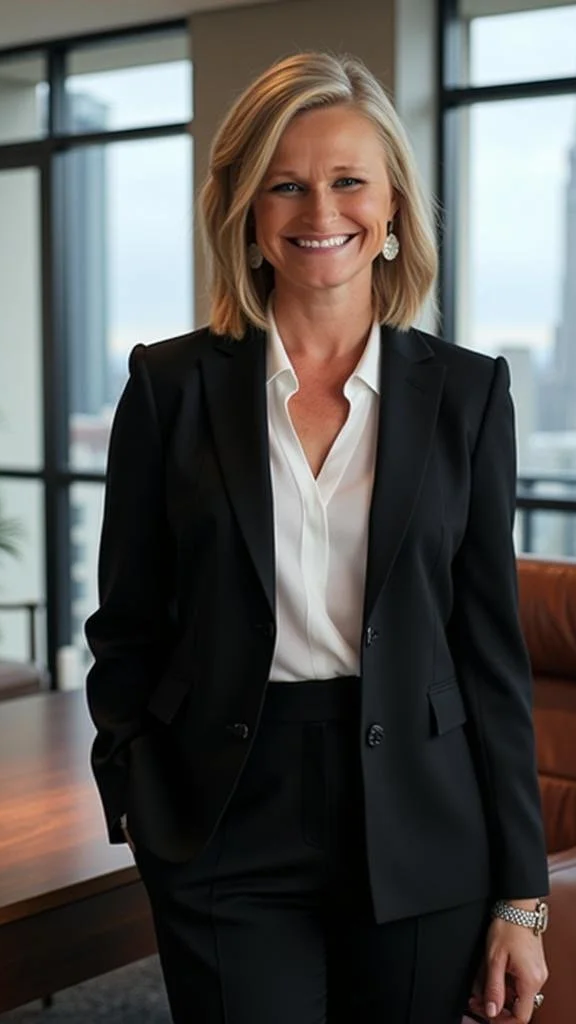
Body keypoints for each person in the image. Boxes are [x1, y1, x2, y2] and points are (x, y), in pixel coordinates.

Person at [85, 51, 550, 1024]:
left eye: (348, 181)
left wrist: (522, 894)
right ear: (248, 212)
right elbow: (126, 621)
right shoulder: (170, 388)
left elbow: (490, 655)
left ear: (390, 210)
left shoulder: (468, 394)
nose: (318, 210)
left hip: (423, 819)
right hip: (224, 816)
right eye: (285, 185)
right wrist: (135, 782)